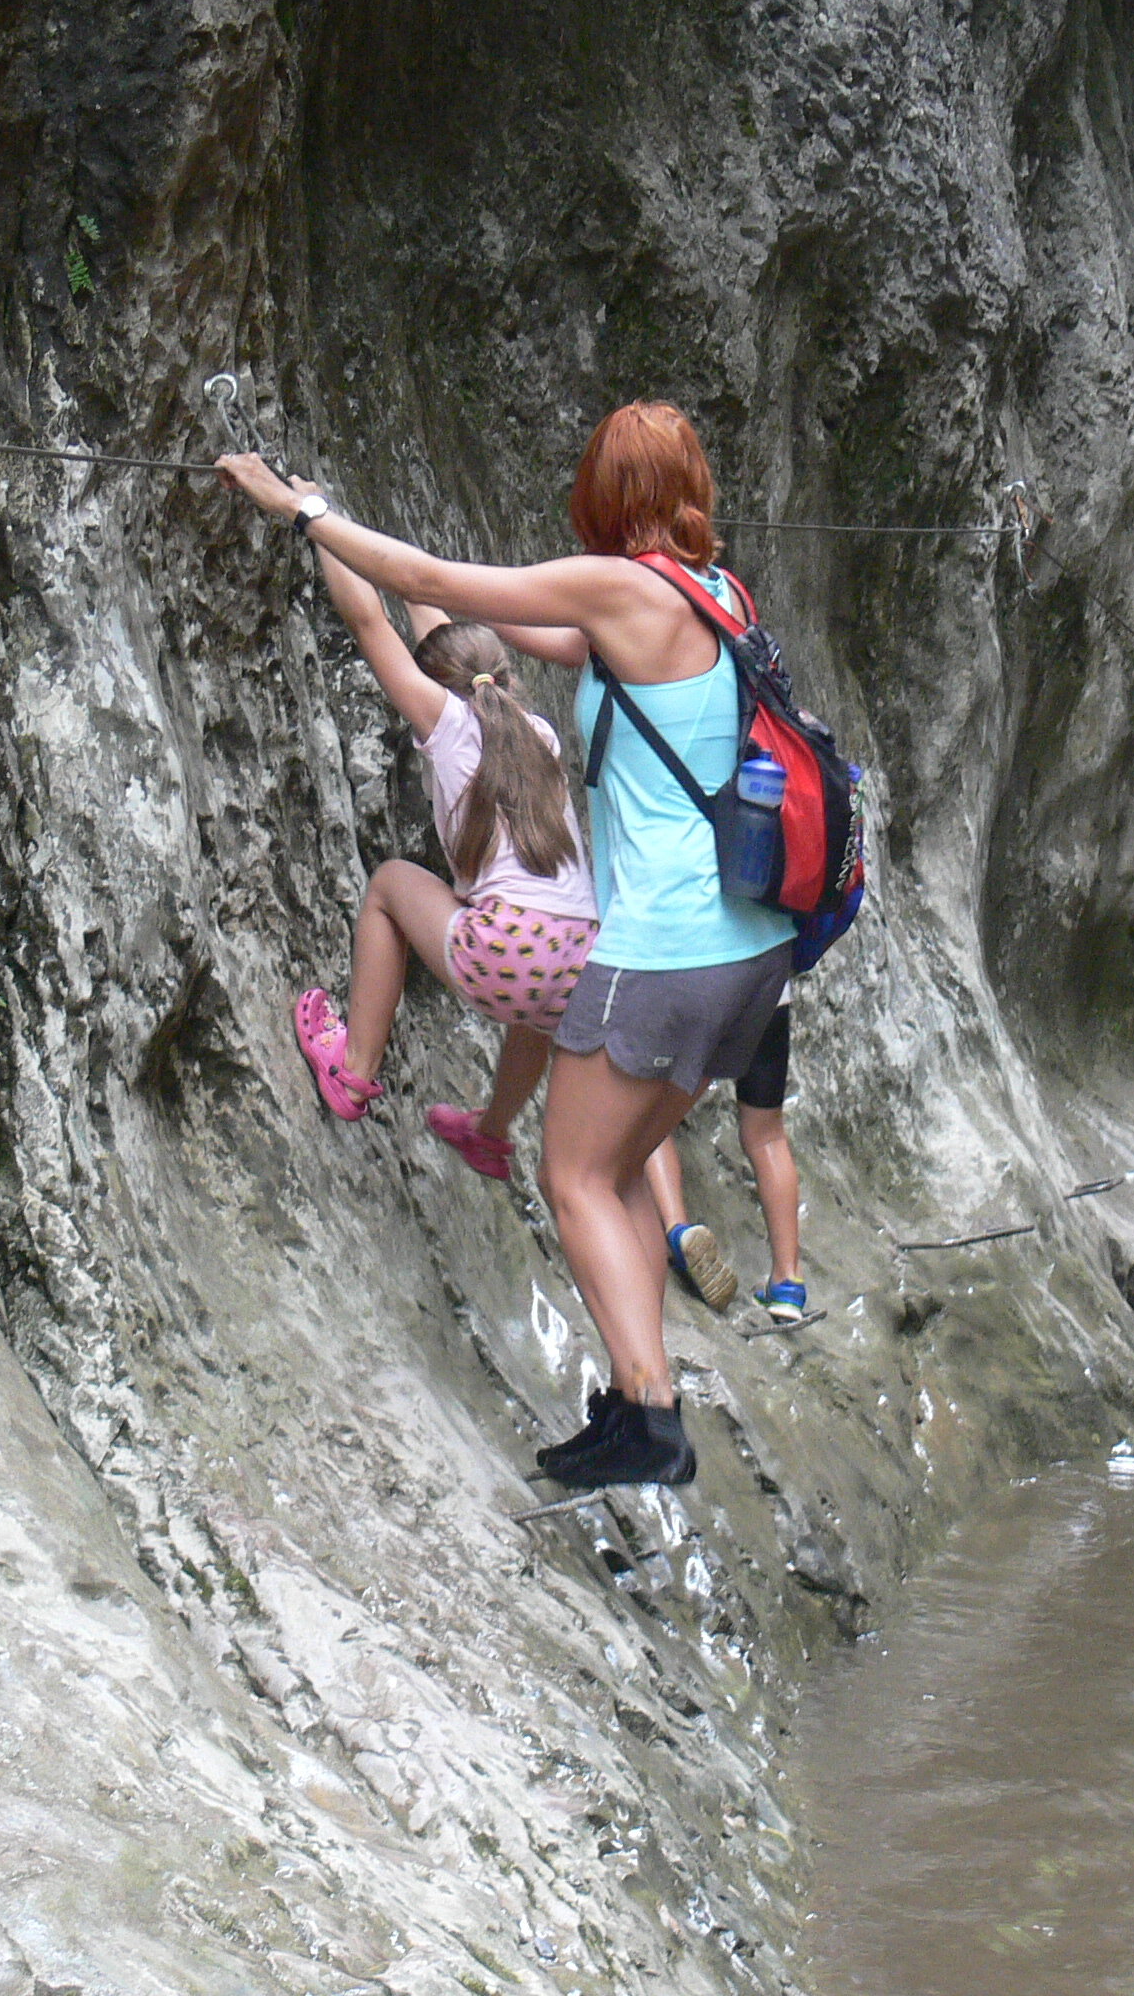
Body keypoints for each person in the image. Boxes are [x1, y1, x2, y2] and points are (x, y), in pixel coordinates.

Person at [218, 403, 795, 1490]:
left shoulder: (623, 588)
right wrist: (408, 583)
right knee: (615, 1172)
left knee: (570, 1174)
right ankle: (638, 1401)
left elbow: (432, 578)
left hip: (665, 950)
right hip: (749, 954)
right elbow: (480, 621)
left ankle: (650, 1414)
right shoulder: (715, 597)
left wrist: (299, 509)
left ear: (607, 495)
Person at [286, 543, 600, 1160]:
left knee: (388, 884)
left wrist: (322, 527)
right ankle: (491, 1132)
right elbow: (450, 646)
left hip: (506, 946)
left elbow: (367, 623)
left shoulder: (449, 726)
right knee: (533, 1012)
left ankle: (353, 1069)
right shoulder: (537, 735)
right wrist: (417, 587)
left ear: (438, 692)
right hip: (579, 960)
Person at [639, 984, 806, 1322]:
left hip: (706, 984)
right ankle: (788, 1283)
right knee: (767, 1136)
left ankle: (677, 1231)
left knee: (648, 1117)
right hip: (770, 993)